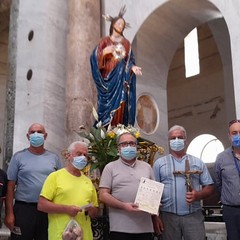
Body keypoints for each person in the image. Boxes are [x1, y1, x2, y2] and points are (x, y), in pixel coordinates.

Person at [153, 125, 214, 240]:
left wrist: (198, 195)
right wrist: (155, 217)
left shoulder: (198, 162)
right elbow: (154, 191)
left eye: (179, 137)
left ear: (186, 140)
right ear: (168, 141)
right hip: (167, 216)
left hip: (193, 216)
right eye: (173, 138)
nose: (176, 140)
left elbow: (210, 187)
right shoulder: (159, 163)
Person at [4, 123, 62, 240]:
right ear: (28, 136)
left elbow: (61, 184)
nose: (36, 134)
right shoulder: (18, 157)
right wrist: (9, 213)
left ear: (45, 136)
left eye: (39, 132)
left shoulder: (54, 158)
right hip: (24, 209)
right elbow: (10, 187)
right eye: (33, 132)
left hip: (48, 210)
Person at [99, 131, 161, 240]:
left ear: (136, 147)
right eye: (124, 144)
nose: (128, 146)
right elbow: (103, 195)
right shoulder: (110, 167)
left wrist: (155, 216)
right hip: (120, 228)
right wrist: (124, 206)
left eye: (132, 143)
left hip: (144, 227)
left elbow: (153, 193)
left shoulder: (147, 167)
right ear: (118, 148)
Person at [90, 6, 142, 127]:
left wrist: (132, 67)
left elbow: (130, 60)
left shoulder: (126, 43)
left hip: (121, 81)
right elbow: (94, 59)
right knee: (105, 110)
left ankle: (119, 130)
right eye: (118, 23)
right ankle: (106, 132)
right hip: (107, 82)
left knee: (121, 105)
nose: (120, 26)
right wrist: (104, 52)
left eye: (122, 24)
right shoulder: (104, 41)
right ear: (113, 24)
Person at [38, 141, 99, 240]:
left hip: (84, 235)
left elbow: (95, 211)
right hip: (61, 234)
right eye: (79, 154)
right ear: (68, 156)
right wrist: (66, 209)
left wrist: (92, 210)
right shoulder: (55, 177)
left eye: (85, 155)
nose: (83, 158)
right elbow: (41, 205)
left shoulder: (88, 182)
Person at [214, 119, 240, 240]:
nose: (238, 136)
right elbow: (218, 183)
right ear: (229, 136)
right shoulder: (221, 158)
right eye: (234, 133)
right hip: (231, 210)